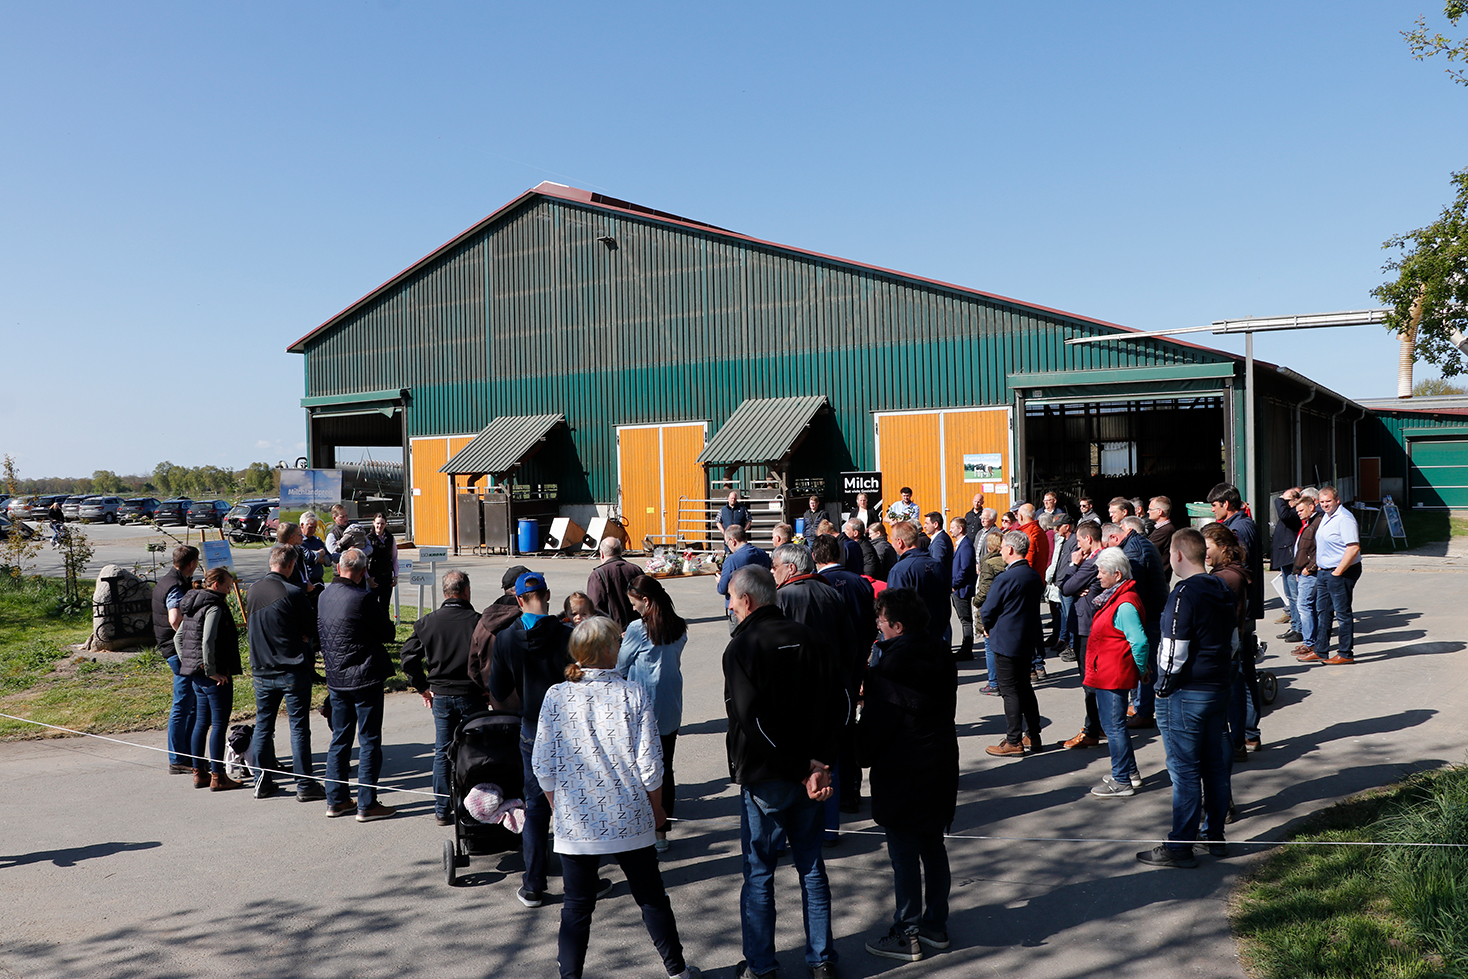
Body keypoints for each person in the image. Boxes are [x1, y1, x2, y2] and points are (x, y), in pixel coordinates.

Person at [533, 617, 697, 979]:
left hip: (577, 821)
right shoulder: (631, 693)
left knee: (576, 907)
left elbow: (542, 764)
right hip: (629, 815)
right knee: (651, 896)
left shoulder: (557, 695)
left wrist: (559, 807)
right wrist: (657, 809)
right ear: (608, 650)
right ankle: (677, 971)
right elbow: (650, 764)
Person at [722, 566, 843, 979]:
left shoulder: (742, 647)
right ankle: (821, 960)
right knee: (811, 867)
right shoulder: (812, 639)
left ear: (748, 600)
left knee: (760, 873)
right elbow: (841, 705)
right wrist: (819, 764)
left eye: (732, 599)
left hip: (769, 776)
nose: (730, 607)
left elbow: (751, 721)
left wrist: (807, 766)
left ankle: (761, 966)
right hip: (807, 772)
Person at [859, 587, 957, 962]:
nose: (878, 626)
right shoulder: (940, 652)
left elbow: (878, 727)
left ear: (898, 626)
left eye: (881, 621)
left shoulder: (892, 666)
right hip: (939, 761)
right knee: (933, 846)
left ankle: (907, 931)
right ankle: (935, 924)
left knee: (904, 855)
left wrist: (860, 750)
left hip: (902, 768)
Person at [1137, 528, 1237, 869]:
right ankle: (1214, 835)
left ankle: (1180, 845)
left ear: (1177, 555)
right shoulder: (1221, 588)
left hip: (1186, 693)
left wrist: (1162, 686)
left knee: (1185, 771)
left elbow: (1173, 650)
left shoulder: (1183, 593)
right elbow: (1233, 641)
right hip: (1217, 688)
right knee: (1215, 768)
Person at [487, 571, 577, 908]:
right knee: (571, 805)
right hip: (567, 729)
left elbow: (498, 690)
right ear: (548, 595)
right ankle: (581, 879)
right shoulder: (567, 635)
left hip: (532, 728)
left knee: (537, 807)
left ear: (519, 600)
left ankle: (534, 884)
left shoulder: (506, 639)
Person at [775, 541, 858, 843]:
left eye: (775, 566)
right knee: (827, 760)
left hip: (793, 695)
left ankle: (784, 835)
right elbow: (850, 644)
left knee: (790, 762)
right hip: (831, 690)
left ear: (791, 568)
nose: (772, 572)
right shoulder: (832, 594)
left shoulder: (781, 598)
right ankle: (828, 829)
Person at [319, 547, 398, 822]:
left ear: (339, 568)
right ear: (364, 572)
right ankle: (367, 803)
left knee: (340, 739)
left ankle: (336, 799)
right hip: (364, 676)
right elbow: (388, 632)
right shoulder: (363, 598)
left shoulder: (324, 595)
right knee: (369, 740)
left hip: (336, 677)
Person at [400, 569, 484, 826]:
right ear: (466, 592)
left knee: (442, 750)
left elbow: (407, 658)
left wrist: (422, 686)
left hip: (442, 695)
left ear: (445, 593)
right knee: (474, 751)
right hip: (472, 694)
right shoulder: (478, 622)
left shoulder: (427, 623)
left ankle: (441, 807)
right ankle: (474, 806)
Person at [245, 544, 324, 802]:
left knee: (263, 726)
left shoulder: (253, 590)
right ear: (291, 565)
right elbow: (312, 627)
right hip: (291, 668)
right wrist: (304, 635)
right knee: (298, 727)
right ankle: (305, 784)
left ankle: (261, 781)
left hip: (261, 667)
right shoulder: (293, 592)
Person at [618, 574, 689, 853]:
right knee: (664, 768)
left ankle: (642, 828)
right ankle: (661, 832)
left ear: (646, 600)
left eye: (634, 603)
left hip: (642, 709)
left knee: (639, 769)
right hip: (670, 705)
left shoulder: (638, 628)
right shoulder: (679, 626)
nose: (633, 608)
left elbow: (621, 666)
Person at [810, 535, 877, 815]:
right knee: (849, 731)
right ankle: (850, 792)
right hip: (855, 666)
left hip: (827, 673)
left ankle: (830, 792)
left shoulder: (817, 585)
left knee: (828, 734)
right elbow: (870, 626)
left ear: (815, 557)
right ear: (839, 554)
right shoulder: (860, 582)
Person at [1085, 547, 1149, 797]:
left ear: (1117, 575)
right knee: (1115, 726)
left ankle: (1121, 780)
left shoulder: (1124, 603)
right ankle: (1129, 773)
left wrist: (1141, 669)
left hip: (1113, 675)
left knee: (1114, 727)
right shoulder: (1118, 597)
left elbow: (1139, 642)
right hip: (1109, 672)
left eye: (1102, 572)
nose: (1098, 576)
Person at [979, 530, 1045, 756]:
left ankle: (1014, 740)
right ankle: (1033, 734)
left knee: (1010, 690)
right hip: (1026, 638)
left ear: (1010, 549)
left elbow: (988, 609)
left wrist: (987, 626)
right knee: (1024, 687)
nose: (1000, 551)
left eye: (1002, 547)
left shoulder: (1006, 578)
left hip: (1006, 640)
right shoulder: (1032, 575)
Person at [178, 566, 243, 791]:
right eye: (228, 586)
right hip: (215, 676)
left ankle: (199, 773)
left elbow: (178, 637)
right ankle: (218, 776)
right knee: (219, 725)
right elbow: (207, 640)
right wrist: (209, 669)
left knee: (201, 722)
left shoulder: (192, 604)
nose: (230, 590)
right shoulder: (214, 606)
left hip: (196, 676)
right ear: (216, 585)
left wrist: (188, 663)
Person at [1104, 518, 1167, 729]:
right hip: (1151, 611)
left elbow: (1134, 589)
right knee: (1145, 661)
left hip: (1148, 614)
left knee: (1144, 663)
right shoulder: (1138, 543)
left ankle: (1144, 711)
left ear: (1114, 537)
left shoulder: (1132, 552)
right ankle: (1141, 706)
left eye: (1107, 545)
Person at [1201, 522, 1255, 760]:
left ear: (1223, 547)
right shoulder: (1228, 572)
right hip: (1232, 640)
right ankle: (1239, 741)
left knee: (1230, 696)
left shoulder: (1226, 577)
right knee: (1237, 690)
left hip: (1226, 643)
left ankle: (1235, 743)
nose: (1204, 553)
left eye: (1207, 547)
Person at [152, 544, 200, 775]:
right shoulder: (176, 586)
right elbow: (174, 619)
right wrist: (188, 635)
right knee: (183, 703)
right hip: (177, 650)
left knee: (190, 702)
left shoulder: (166, 580)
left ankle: (188, 753)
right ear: (191, 563)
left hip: (169, 647)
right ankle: (178, 758)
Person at [1058, 522, 1106, 748]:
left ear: (1088, 538)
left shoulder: (1091, 562)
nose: (1077, 546)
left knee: (1089, 680)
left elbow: (1065, 587)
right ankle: (1099, 724)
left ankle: (1092, 730)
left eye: (1078, 540)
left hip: (1086, 626)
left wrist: (1073, 565)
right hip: (1087, 624)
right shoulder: (1097, 559)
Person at [1306, 485, 1362, 665]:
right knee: (1323, 612)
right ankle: (1320, 650)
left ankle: (1345, 653)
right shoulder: (1326, 517)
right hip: (1325, 571)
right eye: (1322, 502)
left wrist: (1338, 571)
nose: (1325, 505)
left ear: (1337, 500)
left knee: (1343, 613)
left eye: (1328, 501)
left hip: (1341, 571)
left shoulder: (1344, 518)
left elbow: (1353, 548)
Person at [468, 564, 530, 695]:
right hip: (526, 694)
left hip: (496, 694)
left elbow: (473, 666)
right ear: (517, 590)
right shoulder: (527, 619)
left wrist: (488, 689)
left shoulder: (484, 621)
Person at [888, 521, 948, 640]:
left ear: (900, 542)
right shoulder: (937, 565)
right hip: (937, 635)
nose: (892, 544)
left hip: (911, 640)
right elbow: (946, 604)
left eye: (892, 541)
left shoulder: (900, 570)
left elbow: (895, 611)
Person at [716, 525, 773, 634]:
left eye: (727, 543)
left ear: (733, 541)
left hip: (740, 609)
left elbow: (722, 589)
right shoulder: (762, 554)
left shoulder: (732, 560)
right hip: (762, 605)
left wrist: (720, 582)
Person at [972, 529, 1007, 695]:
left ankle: (993, 682)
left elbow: (985, 589)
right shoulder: (1006, 562)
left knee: (989, 646)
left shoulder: (988, 563)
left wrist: (976, 601)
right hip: (1005, 607)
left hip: (990, 608)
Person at [1291, 493, 1325, 660]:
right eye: (1297, 511)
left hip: (1310, 573)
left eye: (1301, 510)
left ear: (1311, 507)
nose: (1298, 513)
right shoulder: (1309, 523)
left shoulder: (1317, 523)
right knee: (1307, 606)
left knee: (1304, 605)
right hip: (1303, 571)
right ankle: (1310, 640)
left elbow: (1320, 549)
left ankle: (1309, 642)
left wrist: (1309, 568)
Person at [586, 537, 642, 630]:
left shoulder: (598, 575)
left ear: (601, 554)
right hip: (638, 629)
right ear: (620, 552)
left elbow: (595, 607)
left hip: (612, 631)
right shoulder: (636, 570)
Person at [1272, 488, 1305, 643]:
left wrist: (1280, 500)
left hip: (1291, 558)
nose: (1283, 504)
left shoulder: (1294, 513)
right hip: (1285, 558)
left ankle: (1300, 628)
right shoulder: (1291, 512)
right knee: (1290, 595)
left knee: (1295, 595)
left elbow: (1284, 515)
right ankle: (1295, 626)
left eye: (1286, 501)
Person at [949, 516, 977, 661]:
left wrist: (954, 584)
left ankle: (967, 650)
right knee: (963, 619)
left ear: (960, 529)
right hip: (958, 587)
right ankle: (965, 648)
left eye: (952, 527)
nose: (950, 530)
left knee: (965, 620)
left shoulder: (966, 545)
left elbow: (965, 568)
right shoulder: (961, 544)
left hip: (961, 589)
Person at [365, 512, 398, 611]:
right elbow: (363, 560)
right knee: (372, 607)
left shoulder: (390, 538)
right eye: (378, 523)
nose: (380, 526)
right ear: (373, 523)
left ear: (386, 524)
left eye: (382, 523)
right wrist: (368, 578)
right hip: (373, 577)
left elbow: (394, 558)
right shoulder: (367, 539)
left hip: (387, 577)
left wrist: (395, 576)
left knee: (385, 607)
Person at [1147, 497, 1178, 581]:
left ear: (1160, 512)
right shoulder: (1162, 529)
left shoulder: (1165, 531)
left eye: (1150, 509)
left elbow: (1146, 549)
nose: (1148, 511)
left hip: (1158, 578)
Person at [924, 512, 953, 584]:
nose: (924, 526)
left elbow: (936, 565)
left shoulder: (939, 541)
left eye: (927, 523)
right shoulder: (941, 537)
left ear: (935, 524)